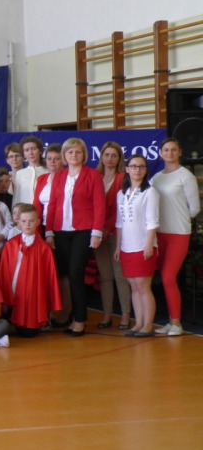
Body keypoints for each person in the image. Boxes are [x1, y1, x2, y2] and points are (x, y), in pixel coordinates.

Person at [45, 137, 105, 336]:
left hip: (84, 231)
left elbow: (99, 205)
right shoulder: (59, 176)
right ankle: (68, 316)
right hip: (60, 231)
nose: (74, 155)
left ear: (84, 154)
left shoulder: (93, 175)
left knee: (76, 273)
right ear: (64, 155)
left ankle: (80, 320)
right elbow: (52, 205)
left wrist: (97, 232)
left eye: (78, 152)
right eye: (70, 152)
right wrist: (49, 231)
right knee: (64, 274)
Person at [150, 138, 200, 337]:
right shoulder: (156, 178)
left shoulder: (186, 176)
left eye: (173, 150)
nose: (169, 153)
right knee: (163, 279)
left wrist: (177, 220)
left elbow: (194, 209)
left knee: (168, 277)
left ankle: (176, 323)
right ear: (160, 153)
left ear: (180, 152)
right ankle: (171, 321)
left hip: (178, 234)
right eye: (166, 150)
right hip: (159, 234)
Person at [0, 204, 62, 337]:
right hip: (14, 290)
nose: (27, 224)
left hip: (33, 293)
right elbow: (4, 273)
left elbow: (49, 277)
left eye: (31, 221)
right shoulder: (11, 244)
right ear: (18, 222)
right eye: (24, 221)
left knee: (29, 333)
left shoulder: (44, 248)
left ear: (38, 222)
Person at [115, 156, 160, 338]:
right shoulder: (121, 194)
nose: (137, 170)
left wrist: (149, 244)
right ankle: (139, 323)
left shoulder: (150, 192)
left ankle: (147, 325)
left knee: (143, 286)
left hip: (143, 245)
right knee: (134, 287)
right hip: (127, 246)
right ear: (127, 169)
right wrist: (118, 247)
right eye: (133, 166)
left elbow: (152, 221)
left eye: (141, 167)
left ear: (146, 170)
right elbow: (119, 223)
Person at [94, 141, 130, 329]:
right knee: (105, 277)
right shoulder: (95, 176)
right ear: (101, 157)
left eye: (114, 155)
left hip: (117, 232)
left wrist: (107, 227)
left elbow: (122, 207)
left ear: (119, 158)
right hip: (98, 234)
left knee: (120, 276)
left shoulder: (123, 178)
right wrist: (99, 229)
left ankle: (125, 315)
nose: (110, 158)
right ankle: (107, 314)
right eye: (107, 155)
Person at [12, 136, 47, 206]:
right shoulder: (20, 173)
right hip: (24, 210)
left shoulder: (47, 172)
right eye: (27, 150)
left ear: (40, 151)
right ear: (24, 154)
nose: (30, 153)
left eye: (33, 149)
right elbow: (17, 196)